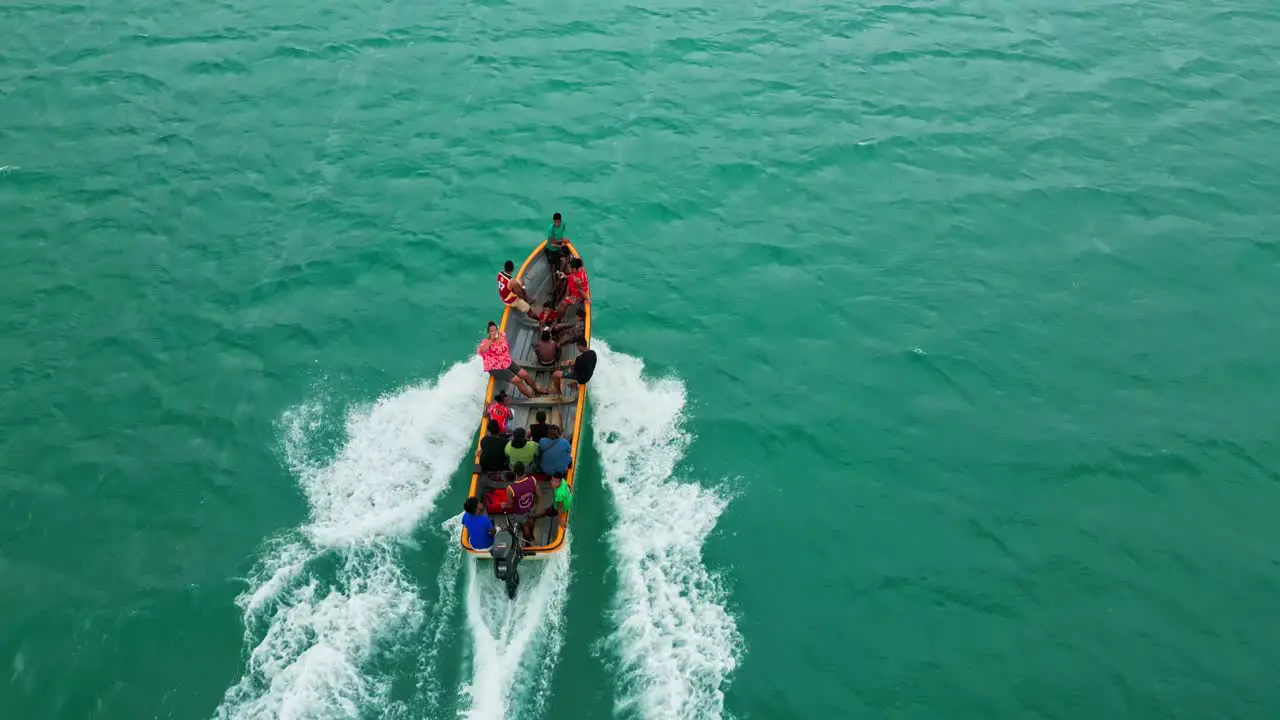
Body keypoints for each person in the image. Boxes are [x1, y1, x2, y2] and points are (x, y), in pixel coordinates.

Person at [477, 321, 543, 398]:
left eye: (495, 330)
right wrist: (491, 340)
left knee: (524, 374)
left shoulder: (502, 335)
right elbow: (481, 351)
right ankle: (531, 397)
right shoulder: (485, 342)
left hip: (506, 361)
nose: (494, 332)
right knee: (518, 381)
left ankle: (536, 389)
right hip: (496, 368)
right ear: (488, 333)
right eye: (491, 331)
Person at [506, 462, 541, 540]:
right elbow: (539, 494)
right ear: (524, 471)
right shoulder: (533, 479)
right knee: (531, 519)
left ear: (514, 472)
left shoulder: (510, 488)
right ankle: (532, 535)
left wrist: (503, 505)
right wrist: (536, 503)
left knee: (525, 526)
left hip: (519, 512)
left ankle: (527, 539)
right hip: (531, 507)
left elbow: (510, 504)